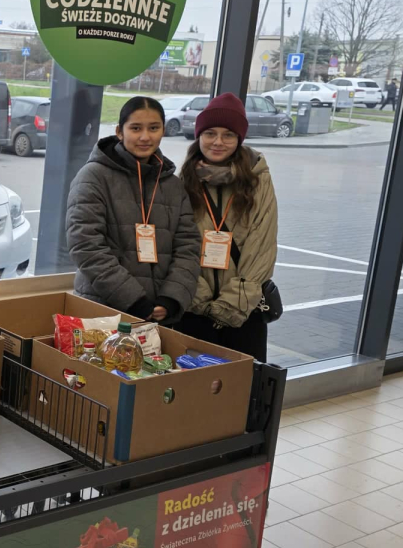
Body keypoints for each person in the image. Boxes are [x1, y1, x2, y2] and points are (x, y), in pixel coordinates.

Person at [65, 97, 201, 324]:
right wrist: (134, 300)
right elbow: (85, 245)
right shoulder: (94, 177)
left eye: (154, 128)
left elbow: (188, 246)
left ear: (163, 130)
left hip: (159, 313)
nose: (145, 137)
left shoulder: (172, 185)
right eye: (136, 128)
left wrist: (171, 299)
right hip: (104, 311)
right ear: (120, 131)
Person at [177, 93, 278, 362]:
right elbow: (177, 245)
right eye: (210, 133)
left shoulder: (257, 181)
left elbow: (262, 245)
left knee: (240, 386)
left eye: (228, 135)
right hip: (193, 310)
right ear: (199, 135)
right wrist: (198, 297)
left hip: (243, 313)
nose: (218, 142)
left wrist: (232, 304)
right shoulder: (183, 181)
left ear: (239, 139)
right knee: (192, 384)